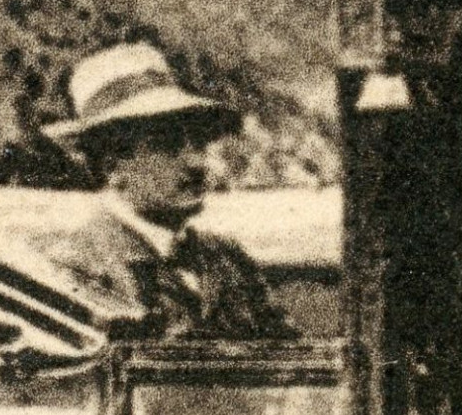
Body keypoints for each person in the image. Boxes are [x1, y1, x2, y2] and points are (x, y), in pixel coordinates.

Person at [41, 40, 291, 339]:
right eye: (168, 145)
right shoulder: (76, 269)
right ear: (112, 165)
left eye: (198, 142)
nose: (196, 162)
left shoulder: (229, 260)